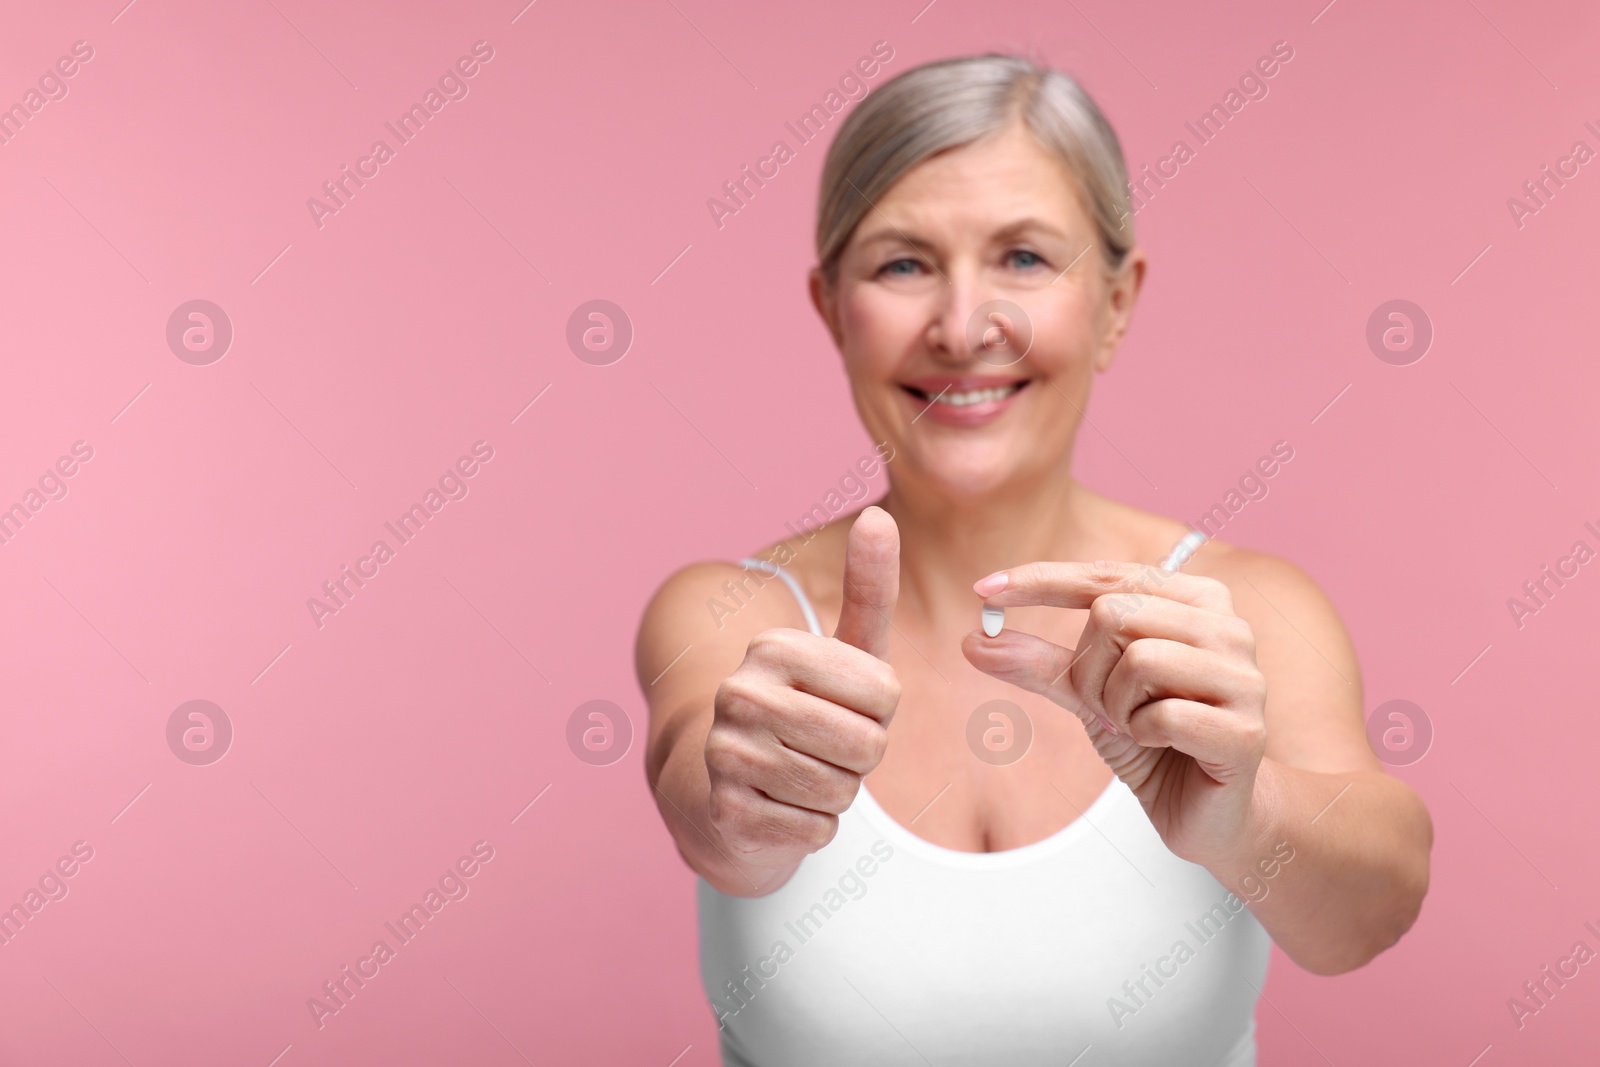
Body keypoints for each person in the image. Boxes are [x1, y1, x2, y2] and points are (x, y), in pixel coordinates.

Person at [636, 53, 1432, 1066]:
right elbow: (705, 814)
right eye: (901, 263)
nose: (965, 328)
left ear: (1115, 301)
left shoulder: (1241, 612)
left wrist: (1245, 813)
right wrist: (744, 806)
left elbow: (1371, 912)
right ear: (832, 307)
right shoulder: (732, 612)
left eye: (1022, 258)